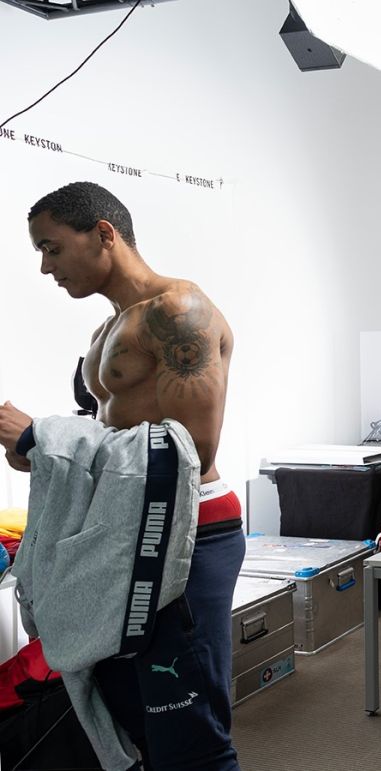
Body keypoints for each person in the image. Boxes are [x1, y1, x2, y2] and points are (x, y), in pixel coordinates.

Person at [0, 181, 243, 768]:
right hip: (127, 531)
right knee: (136, 720)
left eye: (52, 248)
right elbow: (112, 441)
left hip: (186, 533)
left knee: (190, 732)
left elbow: (187, 451)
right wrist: (45, 454)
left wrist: (46, 436)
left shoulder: (178, 312)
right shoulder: (105, 331)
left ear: (104, 234)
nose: (44, 267)